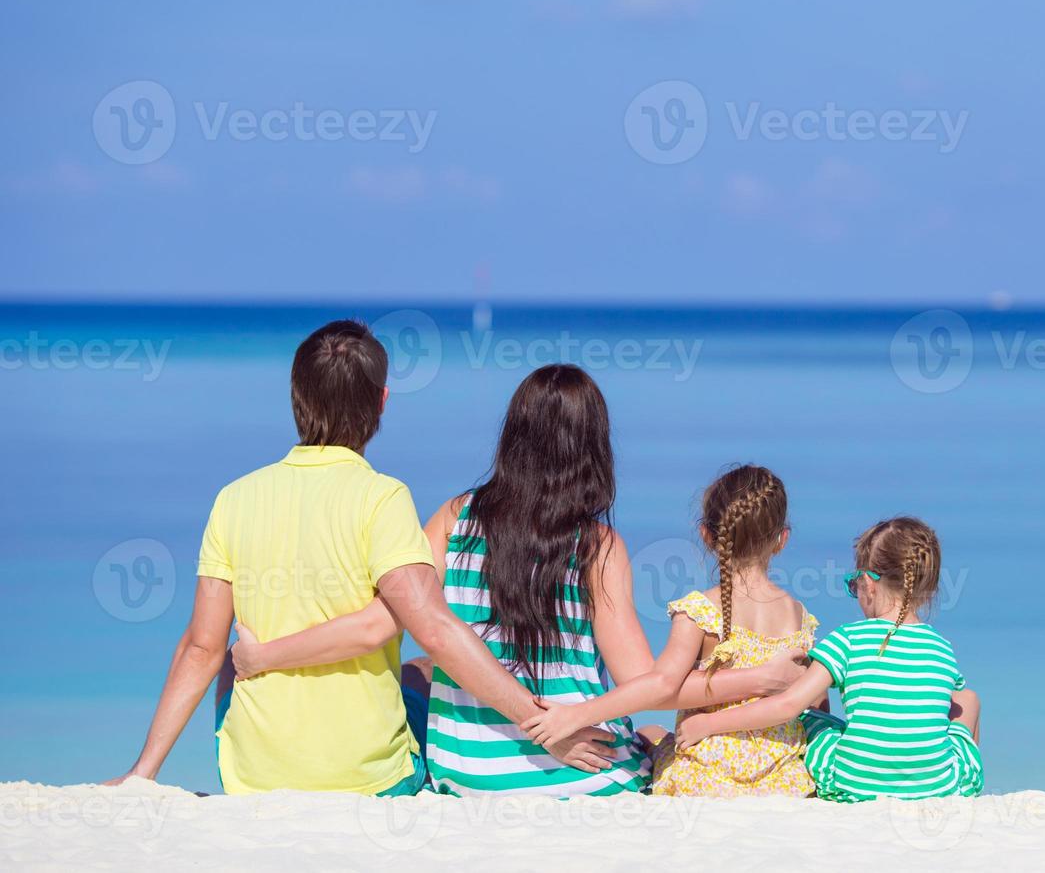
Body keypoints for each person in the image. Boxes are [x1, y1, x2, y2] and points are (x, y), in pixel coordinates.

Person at [231, 365, 805, 796]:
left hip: (468, 774)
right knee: (655, 733)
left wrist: (264, 655)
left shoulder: (454, 519)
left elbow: (382, 622)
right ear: (594, 449)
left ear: (513, 436)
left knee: (417, 670)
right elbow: (650, 681)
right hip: (585, 773)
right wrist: (763, 678)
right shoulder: (598, 547)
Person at [106, 320, 613, 795]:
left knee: (220, 648)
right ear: (382, 401)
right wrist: (543, 727)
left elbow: (199, 648)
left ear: (296, 398)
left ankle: (187, 760)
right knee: (423, 668)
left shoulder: (234, 498)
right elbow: (433, 627)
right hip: (371, 778)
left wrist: (141, 772)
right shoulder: (383, 498)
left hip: (252, 779)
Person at [524, 465, 819, 798]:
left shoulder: (700, 611)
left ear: (708, 536)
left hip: (708, 772)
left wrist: (578, 715)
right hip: (782, 778)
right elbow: (814, 700)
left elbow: (662, 684)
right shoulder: (800, 617)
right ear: (782, 540)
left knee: (649, 732)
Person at [675, 517, 984, 802]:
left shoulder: (848, 639)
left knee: (809, 719)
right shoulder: (943, 648)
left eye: (854, 585)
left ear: (868, 584)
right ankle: (963, 794)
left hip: (852, 782)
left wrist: (709, 723)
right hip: (938, 787)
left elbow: (787, 706)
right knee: (968, 699)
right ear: (926, 589)